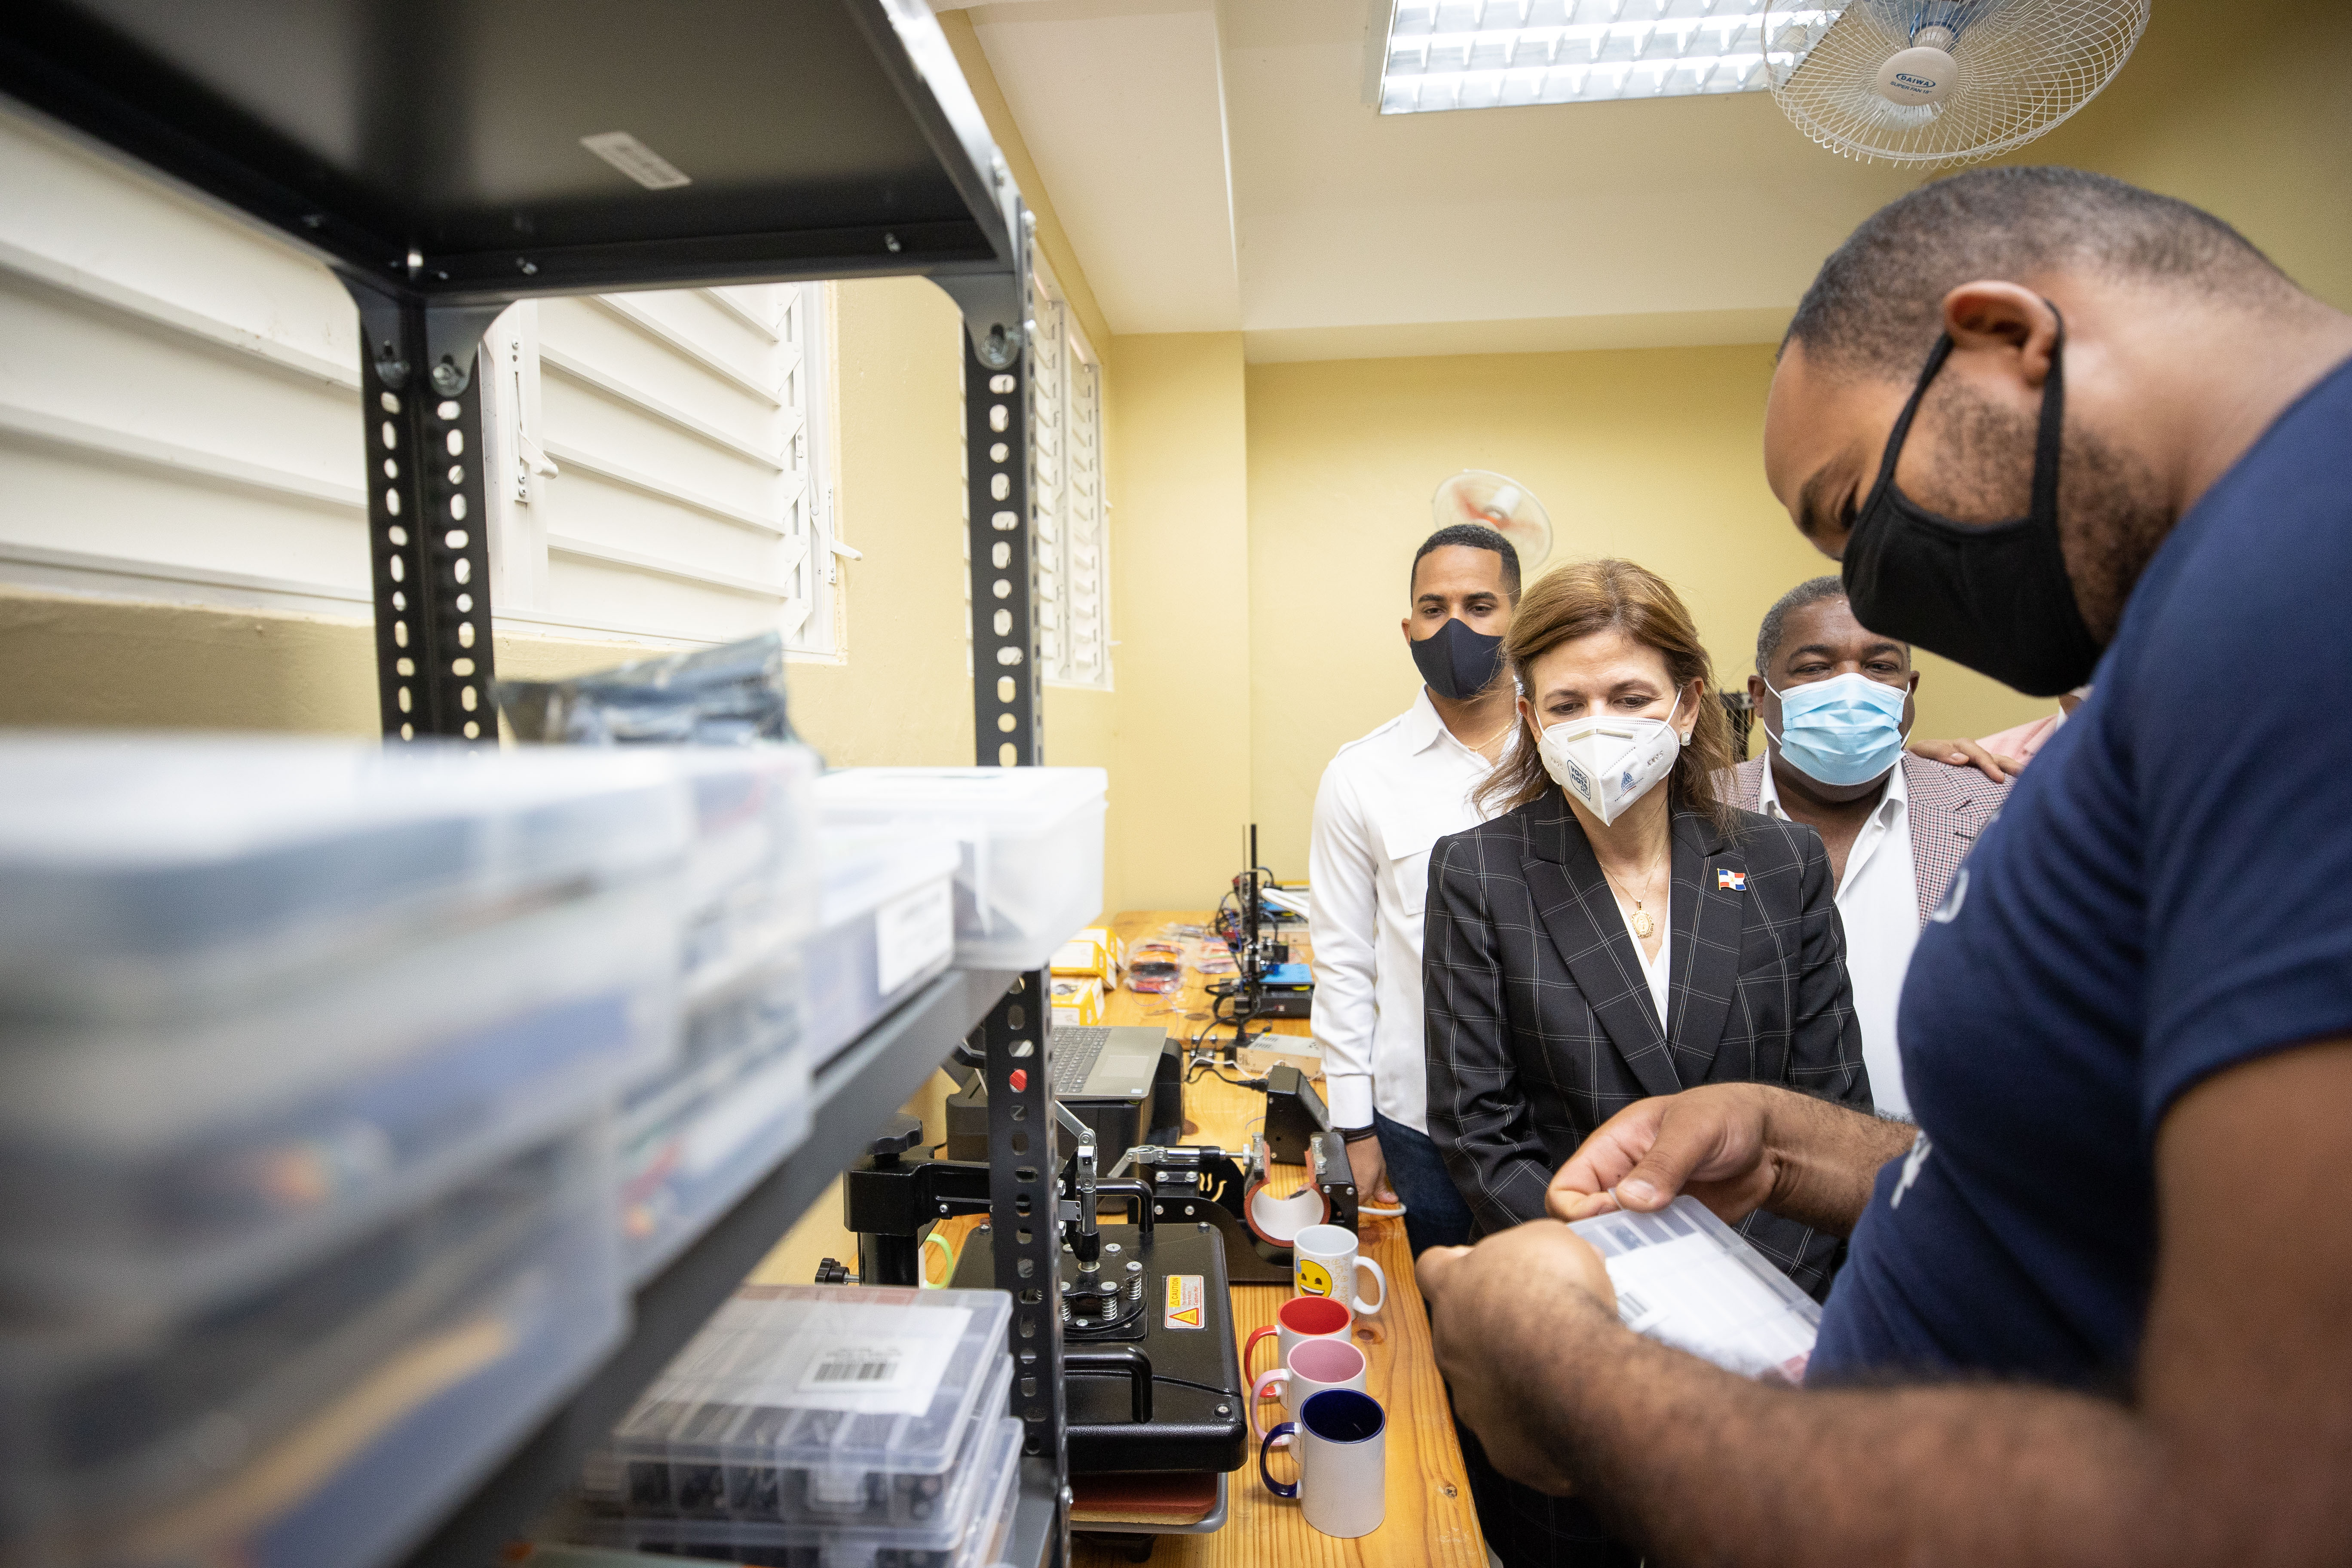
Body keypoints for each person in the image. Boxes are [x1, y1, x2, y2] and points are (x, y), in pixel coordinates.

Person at [1417, 166, 2352, 1565]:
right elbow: (2072, 1187)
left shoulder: (2299, 596)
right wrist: (1784, 1139)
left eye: (1859, 509)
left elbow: (2256, 1504)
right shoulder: (2202, 621)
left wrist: (1564, 1357)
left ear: (2005, 343)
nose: (1877, 596)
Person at [1422, 558, 1871, 1567]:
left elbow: (1831, 1105)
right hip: (1578, 1328)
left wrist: (1748, 1311)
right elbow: (1481, 1137)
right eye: (1567, 703)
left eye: (1629, 697)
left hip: (1766, 1330)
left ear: (1686, 704)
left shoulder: (1780, 863)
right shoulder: (1479, 873)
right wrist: (1611, 1307)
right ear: (1532, 719)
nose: (1600, 724)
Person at [1307, 522, 1520, 1257]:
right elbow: (1342, 957)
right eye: (1434, 609)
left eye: (1480, 606)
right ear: (1409, 628)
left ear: (1518, 619)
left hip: (1563, 1116)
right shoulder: (1361, 775)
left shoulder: (1568, 756)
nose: (1455, 627)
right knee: (1430, 1311)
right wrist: (1354, 1125)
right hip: (1421, 1123)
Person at [1733, 576, 2008, 1115]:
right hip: (1748, 1153)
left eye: (1880, 667)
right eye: (1816, 668)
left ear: (1909, 691)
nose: (1851, 688)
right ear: (1761, 695)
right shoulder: (1690, 816)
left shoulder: (1998, 812)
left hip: (1954, 1153)